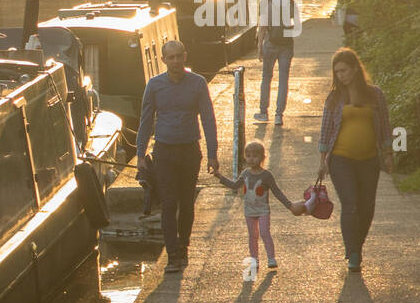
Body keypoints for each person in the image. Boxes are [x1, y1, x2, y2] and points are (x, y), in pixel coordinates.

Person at [137, 39, 220, 272]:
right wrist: (140, 154)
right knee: (168, 202)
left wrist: (213, 154)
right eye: (170, 57)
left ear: (185, 56)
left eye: (178, 56)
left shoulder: (198, 83)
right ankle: (173, 255)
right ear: (163, 60)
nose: (175, 61)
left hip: (189, 150)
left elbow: (208, 119)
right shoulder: (154, 86)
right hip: (163, 151)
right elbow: (145, 121)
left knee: (186, 203)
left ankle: (183, 246)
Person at [317, 48, 393, 272]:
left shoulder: (375, 95)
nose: (341, 75)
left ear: (355, 69)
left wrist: (388, 155)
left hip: (369, 160)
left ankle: (356, 247)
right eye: (337, 72)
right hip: (341, 160)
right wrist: (322, 161)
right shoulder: (335, 97)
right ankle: (353, 254)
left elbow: (386, 127)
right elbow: (325, 130)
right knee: (350, 206)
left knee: (367, 208)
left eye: (344, 70)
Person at [214, 141, 305, 275]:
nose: (251, 159)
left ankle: (271, 258)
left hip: (263, 210)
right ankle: (255, 259)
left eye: (255, 156)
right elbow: (235, 186)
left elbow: (277, 192)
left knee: (264, 233)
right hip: (249, 211)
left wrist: (289, 205)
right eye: (248, 155)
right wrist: (220, 177)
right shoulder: (245, 174)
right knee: (253, 235)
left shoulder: (266, 175)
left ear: (262, 158)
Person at [254, 0, 300, 126]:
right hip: (286, 46)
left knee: (266, 78)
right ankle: (279, 115)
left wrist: (259, 46)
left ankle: (263, 112)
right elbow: (296, 26)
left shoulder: (265, 4)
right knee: (283, 80)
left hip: (270, 44)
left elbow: (262, 28)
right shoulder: (292, 4)